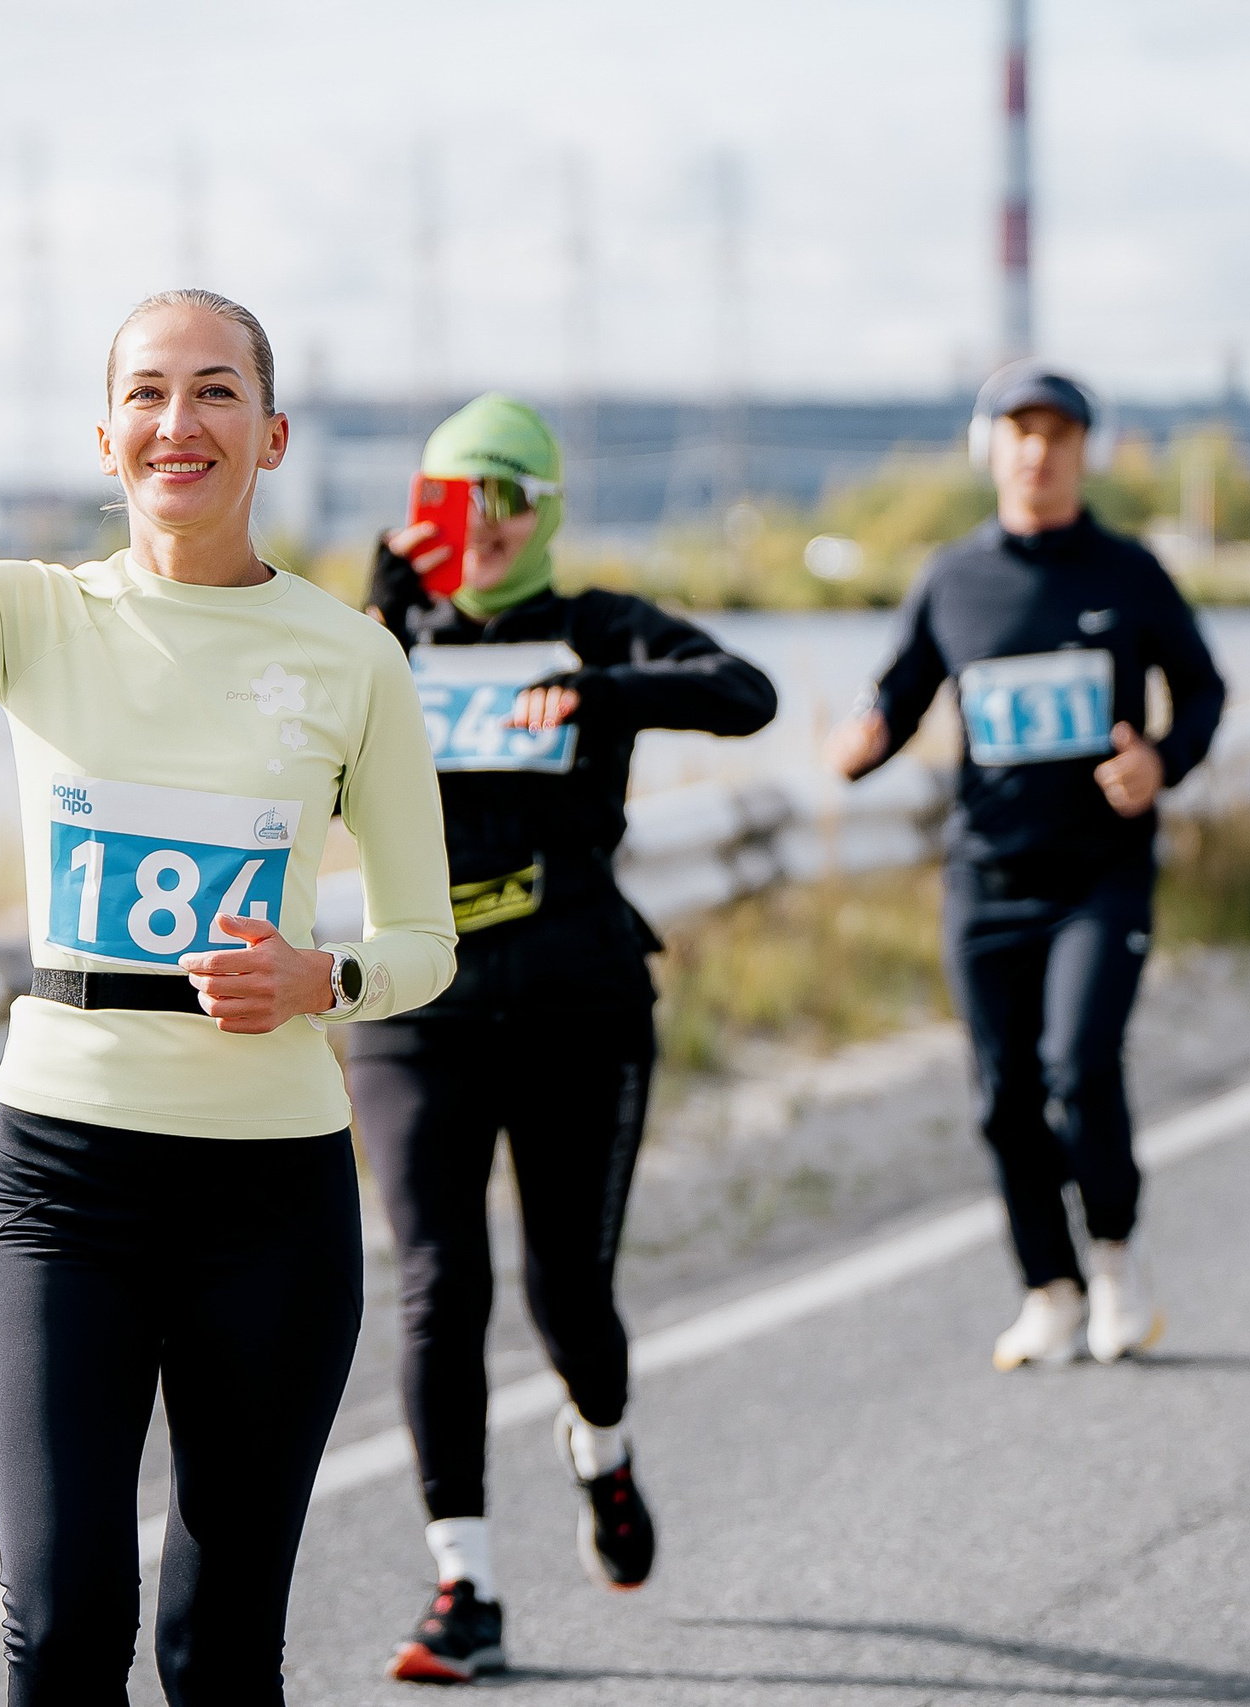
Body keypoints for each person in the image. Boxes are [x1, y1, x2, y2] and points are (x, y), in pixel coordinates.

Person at [0, 213, 457, 1705]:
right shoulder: (31, 616)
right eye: (146, 390)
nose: (176, 419)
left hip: (270, 1190)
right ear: (105, 434)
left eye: (213, 390)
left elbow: (424, 942)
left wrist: (322, 978)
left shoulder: (354, 658)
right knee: (65, 1623)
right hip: (67, 1178)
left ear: (270, 434)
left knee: (217, 1652)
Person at [352, 394, 777, 1683]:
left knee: (566, 1301)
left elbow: (743, 693)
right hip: (418, 1011)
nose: (484, 523)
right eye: (457, 496)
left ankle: (601, 1448)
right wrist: (371, 615)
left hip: (583, 1005)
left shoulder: (594, 624)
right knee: (438, 1287)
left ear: (547, 510)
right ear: (423, 506)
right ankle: (462, 1588)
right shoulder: (385, 641)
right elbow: (271, 750)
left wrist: (597, 692)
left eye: (511, 497)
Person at [824, 360, 1226, 1373]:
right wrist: (860, 742)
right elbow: (897, 699)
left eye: (1056, 434)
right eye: (1019, 433)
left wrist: (1160, 761)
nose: (1037, 452)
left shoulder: (1127, 572)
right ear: (990, 450)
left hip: (1100, 876)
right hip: (985, 880)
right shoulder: (949, 579)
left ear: (1084, 451)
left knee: (1079, 1069)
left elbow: (1204, 690)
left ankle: (1115, 1263)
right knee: (1002, 1097)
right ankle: (1047, 1290)